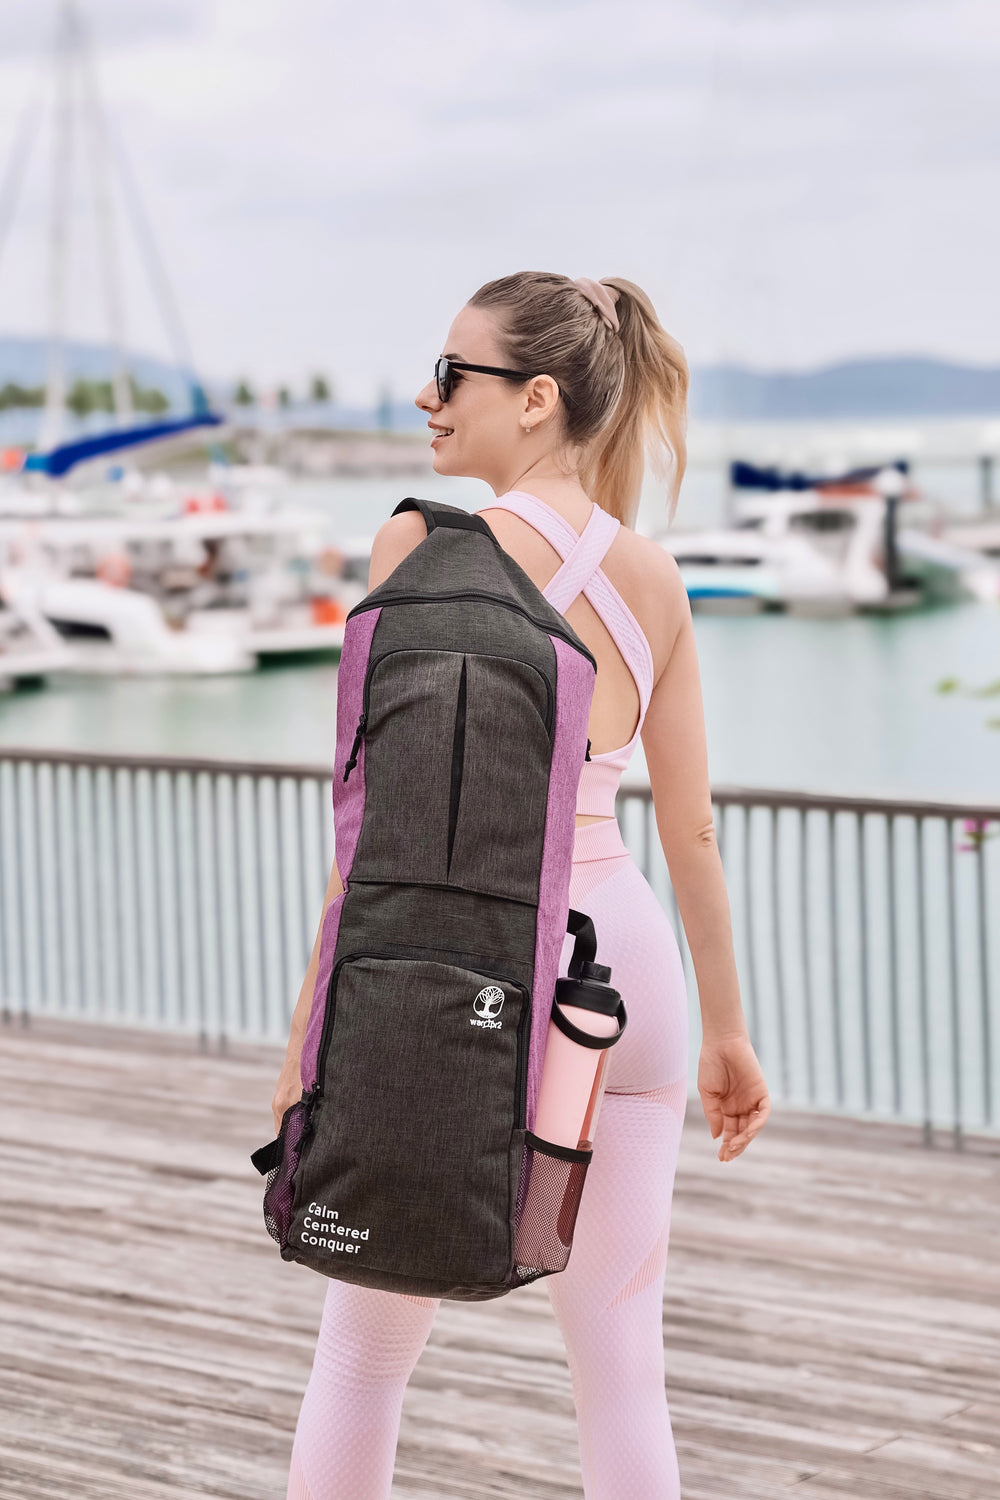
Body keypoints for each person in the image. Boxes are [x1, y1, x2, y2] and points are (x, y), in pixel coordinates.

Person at [270, 272, 770, 1500]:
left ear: (535, 397)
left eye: (453, 374)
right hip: (629, 977)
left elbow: (374, 839)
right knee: (619, 1373)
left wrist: (307, 1041)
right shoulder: (651, 578)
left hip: (473, 968)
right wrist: (727, 1030)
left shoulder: (417, 548)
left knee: (365, 1353)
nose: (426, 398)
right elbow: (691, 831)